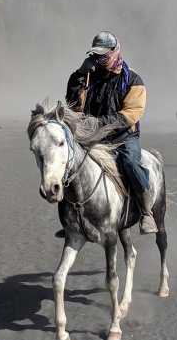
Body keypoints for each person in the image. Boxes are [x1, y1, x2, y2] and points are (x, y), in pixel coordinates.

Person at [64, 31, 157, 235]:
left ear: (115, 52)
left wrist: (97, 122)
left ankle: (146, 211)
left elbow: (130, 115)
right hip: (94, 136)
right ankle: (71, 218)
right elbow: (74, 104)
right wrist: (79, 74)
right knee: (71, 163)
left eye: (104, 54)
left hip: (123, 136)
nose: (100, 59)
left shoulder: (132, 79)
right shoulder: (90, 76)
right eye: (96, 55)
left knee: (131, 164)